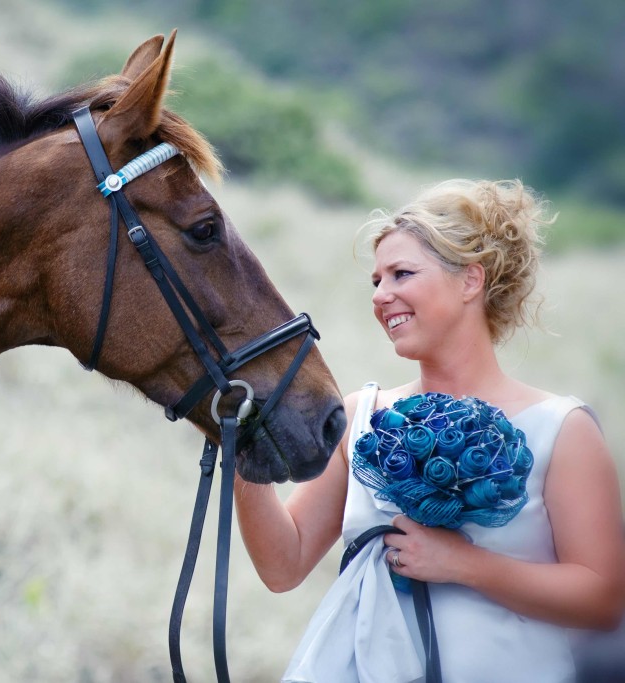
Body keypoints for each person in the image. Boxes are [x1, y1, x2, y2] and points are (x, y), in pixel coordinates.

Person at [234, 179, 625, 682]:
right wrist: (245, 451)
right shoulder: (361, 416)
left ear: (470, 281)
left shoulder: (562, 429)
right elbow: (282, 566)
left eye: (401, 274)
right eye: (376, 281)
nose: (381, 296)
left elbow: (603, 600)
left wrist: (463, 564)